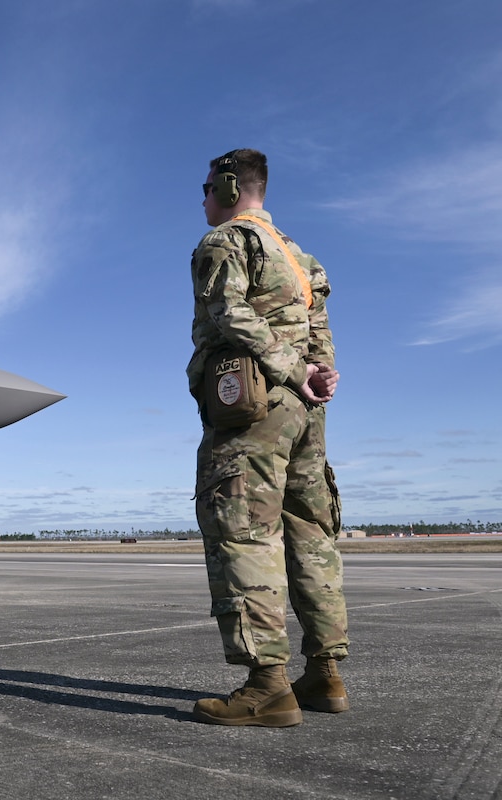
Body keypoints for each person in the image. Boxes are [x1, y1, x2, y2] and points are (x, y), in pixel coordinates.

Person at [187, 149, 349, 727]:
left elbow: (230, 312)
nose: (203, 198)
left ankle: (267, 685)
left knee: (244, 532)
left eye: (207, 187)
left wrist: (285, 368)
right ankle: (325, 674)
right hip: (306, 411)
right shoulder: (300, 257)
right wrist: (316, 373)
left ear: (229, 187)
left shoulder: (226, 242)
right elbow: (321, 334)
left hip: (255, 405)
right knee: (311, 534)